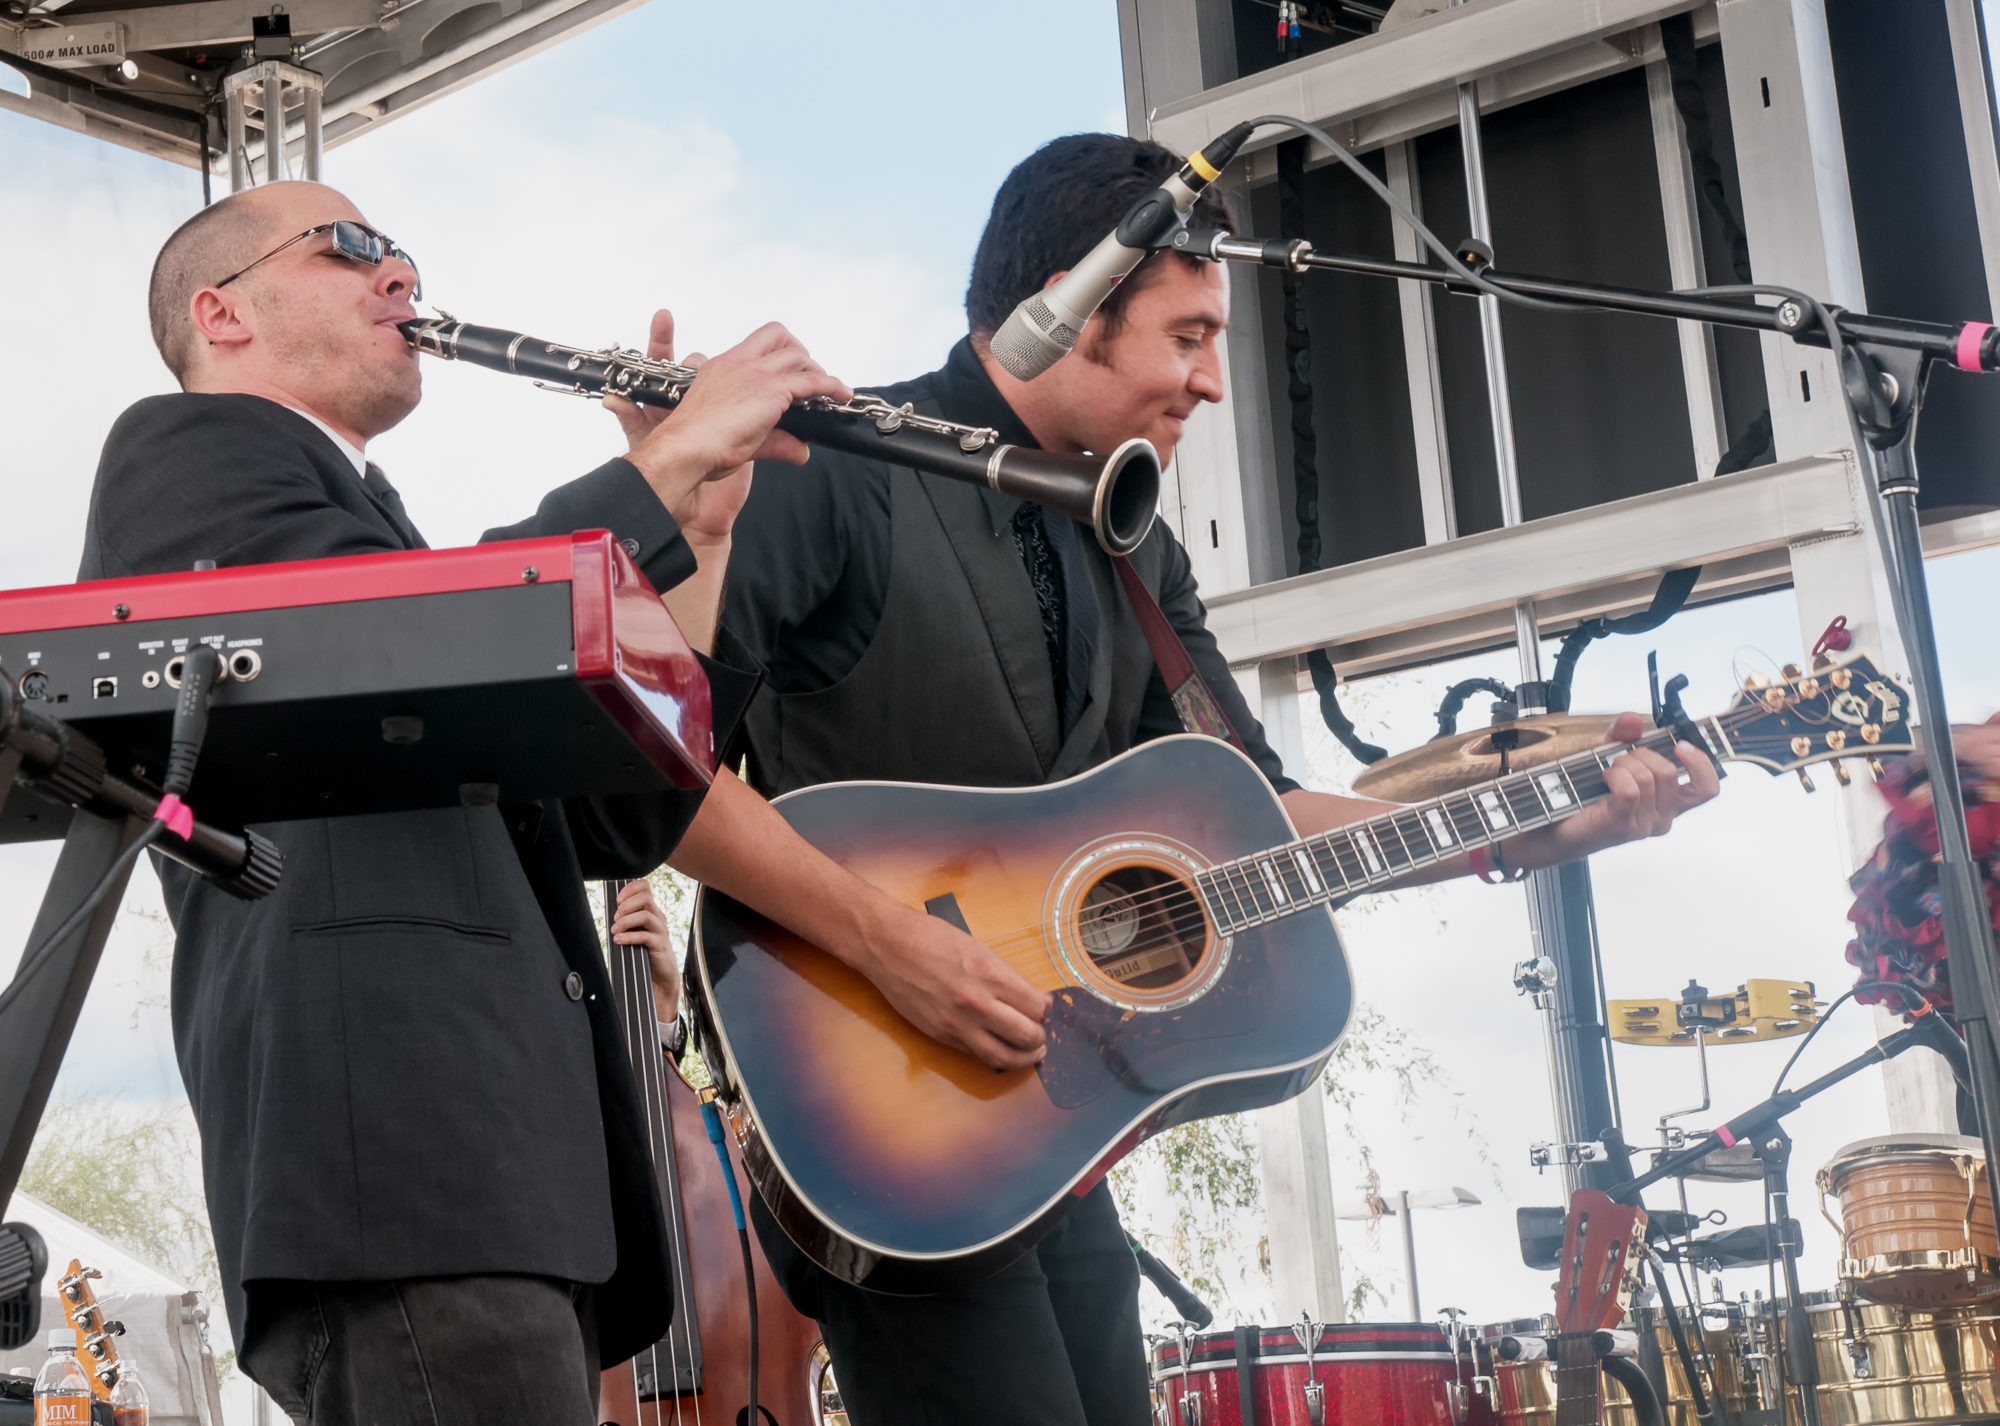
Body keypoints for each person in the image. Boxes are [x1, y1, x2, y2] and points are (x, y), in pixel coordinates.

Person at [712, 133, 1721, 1426]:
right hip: (878, 1129)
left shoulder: (1132, 543)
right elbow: (652, 769)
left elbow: (1257, 815)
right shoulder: (833, 474)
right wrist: (892, 944)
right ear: (1070, 309)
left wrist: (1524, 832)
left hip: (1043, 1139)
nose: (1211, 382)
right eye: (1186, 335)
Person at [78, 179, 1028, 1426]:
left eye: (402, 250)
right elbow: (406, 634)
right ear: (222, 312)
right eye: (352, 248)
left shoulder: (369, 519)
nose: (401, 275)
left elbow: (619, 813)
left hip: (505, 1187)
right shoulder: (185, 448)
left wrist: (707, 521)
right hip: (405, 1174)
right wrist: (664, 457)